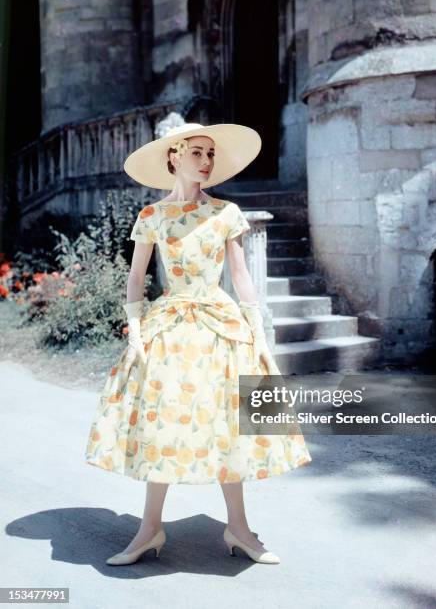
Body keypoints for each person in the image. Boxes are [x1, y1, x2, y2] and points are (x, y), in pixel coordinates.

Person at [84, 122, 312, 566]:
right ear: (174, 157)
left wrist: (257, 328)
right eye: (197, 153)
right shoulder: (152, 216)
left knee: (228, 420)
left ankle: (239, 528)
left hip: (219, 322)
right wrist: (135, 331)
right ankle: (149, 530)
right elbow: (136, 280)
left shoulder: (227, 212)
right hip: (170, 324)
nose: (206, 162)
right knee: (163, 421)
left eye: (210, 154)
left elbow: (241, 276)